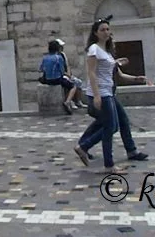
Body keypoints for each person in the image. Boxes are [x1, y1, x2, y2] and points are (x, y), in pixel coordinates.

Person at [73, 19, 127, 174]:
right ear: (96, 33)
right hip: (102, 93)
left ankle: (84, 146)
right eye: (102, 29)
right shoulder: (94, 49)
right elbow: (91, 72)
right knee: (110, 127)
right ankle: (107, 164)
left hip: (108, 91)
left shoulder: (105, 51)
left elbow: (106, 68)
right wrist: (96, 95)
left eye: (107, 29)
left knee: (112, 126)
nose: (106, 32)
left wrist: (116, 62)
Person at [39, 40, 79, 114]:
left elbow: (41, 69)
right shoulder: (58, 58)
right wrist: (69, 76)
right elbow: (62, 71)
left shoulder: (45, 58)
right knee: (73, 86)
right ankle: (67, 102)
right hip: (57, 79)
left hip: (47, 80)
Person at [56, 39, 86, 110]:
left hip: (67, 74)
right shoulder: (56, 56)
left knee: (78, 82)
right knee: (70, 84)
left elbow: (67, 65)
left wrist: (69, 74)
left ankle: (78, 101)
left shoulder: (63, 54)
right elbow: (60, 70)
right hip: (62, 75)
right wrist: (66, 74)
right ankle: (70, 101)